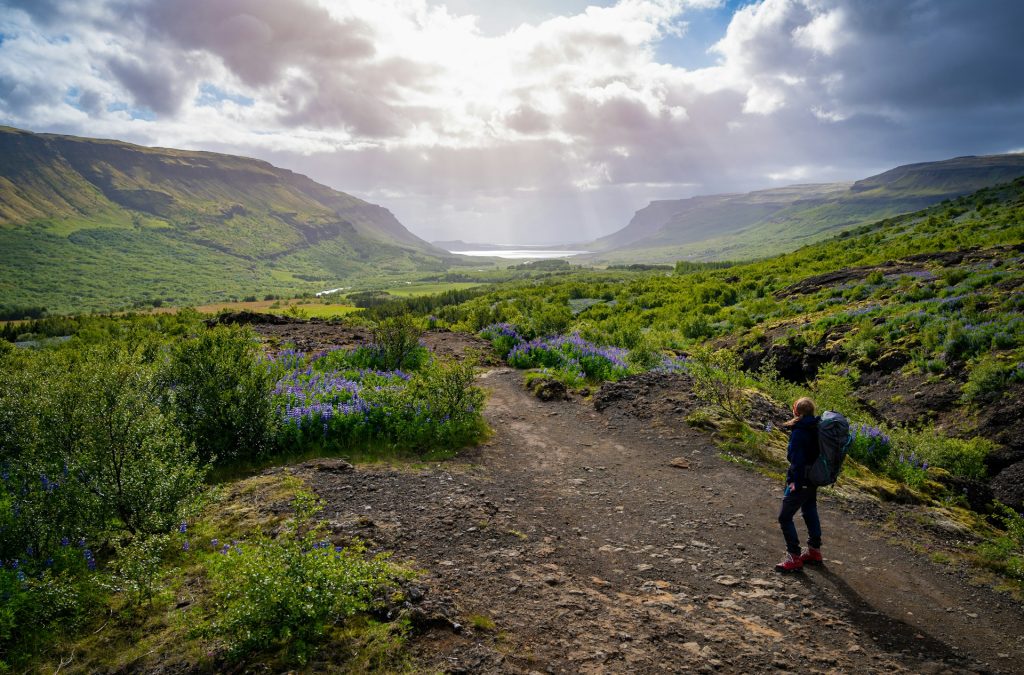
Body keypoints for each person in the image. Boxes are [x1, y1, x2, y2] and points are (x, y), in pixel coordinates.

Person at [775, 397, 823, 573]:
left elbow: (796, 459)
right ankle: (814, 551)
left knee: (784, 516)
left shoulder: (799, 431)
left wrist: (794, 481)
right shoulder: (817, 427)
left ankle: (794, 556)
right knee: (809, 509)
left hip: (801, 478)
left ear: (797, 412)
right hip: (814, 477)